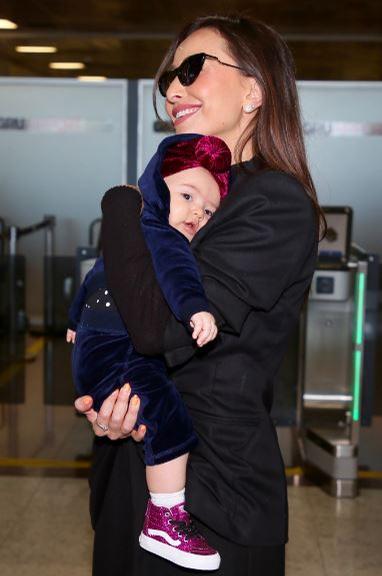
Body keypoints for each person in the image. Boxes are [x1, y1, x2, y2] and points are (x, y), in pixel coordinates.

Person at [76, 15, 325, 576]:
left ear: (254, 91)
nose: (172, 89)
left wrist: (120, 210)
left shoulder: (273, 203)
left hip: (213, 500)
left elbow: (159, 327)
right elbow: (116, 317)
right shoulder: (186, 193)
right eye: (168, 77)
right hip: (134, 472)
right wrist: (113, 406)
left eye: (192, 69)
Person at [68, 134, 231, 570]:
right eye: (186, 195)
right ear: (157, 190)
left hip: (93, 358)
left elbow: (91, 281)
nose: (198, 211)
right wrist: (197, 309)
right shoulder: (161, 235)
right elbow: (179, 283)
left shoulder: (136, 233)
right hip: (121, 358)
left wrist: (71, 324)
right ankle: (165, 516)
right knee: (170, 423)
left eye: (208, 209)